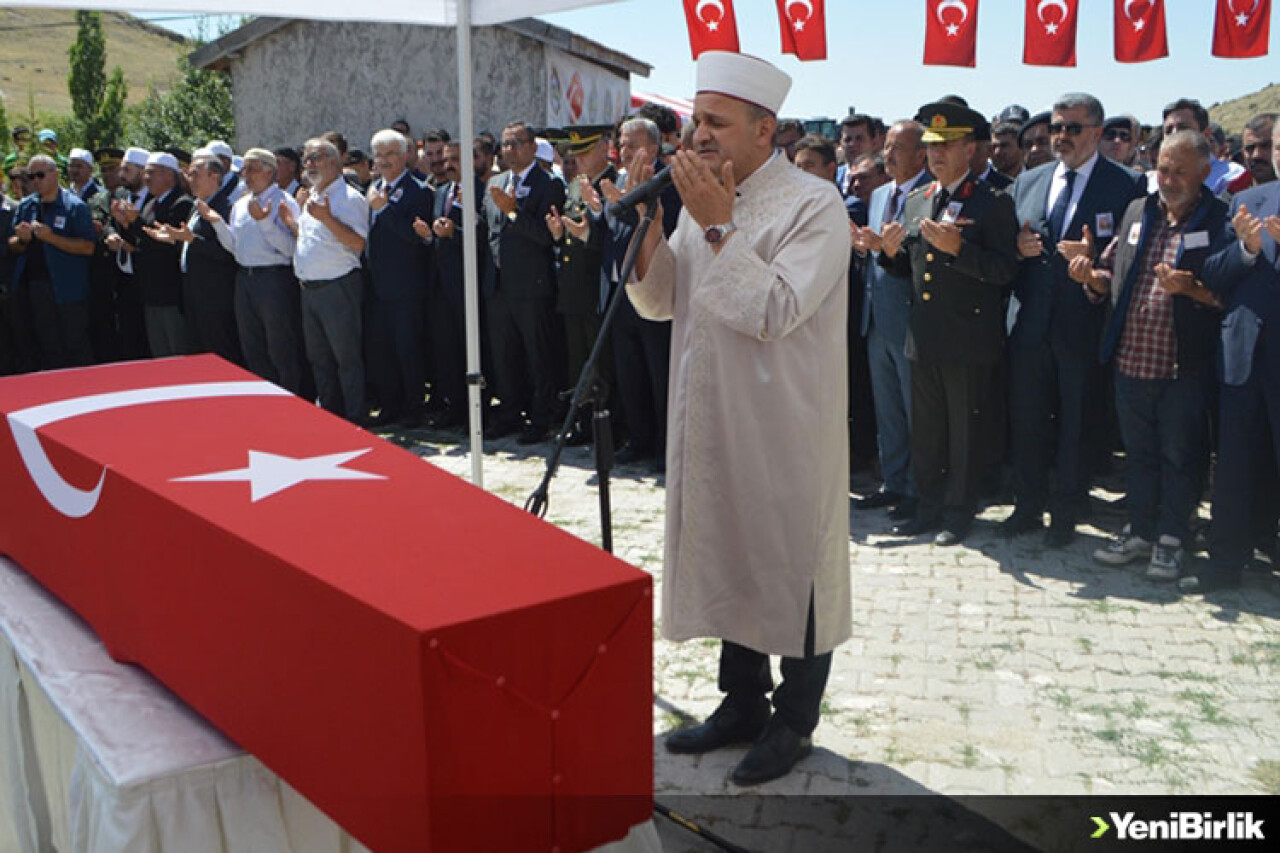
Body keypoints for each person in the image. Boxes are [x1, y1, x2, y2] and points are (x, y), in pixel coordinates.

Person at [630, 51, 851, 786]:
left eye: (717, 123)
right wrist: (650, 235)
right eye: (696, 120)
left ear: (767, 129)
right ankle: (742, 701)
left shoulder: (813, 204)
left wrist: (719, 227)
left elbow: (776, 308)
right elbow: (664, 302)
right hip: (711, 412)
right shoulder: (705, 197)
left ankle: (795, 719)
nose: (699, 136)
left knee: (794, 564)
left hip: (785, 424)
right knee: (728, 547)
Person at [1076, 131, 1230, 581]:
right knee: (1141, 456)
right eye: (1163, 168)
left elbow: (1229, 295)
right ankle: (1141, 530)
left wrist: (1192, 290)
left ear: (1205, 172)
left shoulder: (1219, 220)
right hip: (1131, 361)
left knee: (1180, 458)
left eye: (1181, 171)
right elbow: (1111, 270)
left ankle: (1171, 539)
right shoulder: (1138, 211)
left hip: (1185, 366)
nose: (1169, 178)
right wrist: (1091, 275)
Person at [1004, 93, 1144, 546]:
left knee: (1075, 425)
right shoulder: (1030, 180)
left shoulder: (1126, 186)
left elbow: (1133, 257)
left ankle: (1065, 513)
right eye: (1057, 127)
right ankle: (1027, 507)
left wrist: (1098, 264)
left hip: (1083, 325)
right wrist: (1016, 249)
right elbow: (1005, 241)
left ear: (1098, 133)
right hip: (1030, 325)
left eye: (1072, 128)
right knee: (1027, 420)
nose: (1061, 136)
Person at [879, 101, 1019, 546]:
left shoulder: (991, 202)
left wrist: (962, 252)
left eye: (948, 145)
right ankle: (928, 506)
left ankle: (958, 513)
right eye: (931, 145)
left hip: (967, 338)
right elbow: (909, 267)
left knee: (963, 433)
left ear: (970, 149)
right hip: (923, 336)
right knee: (928, 433)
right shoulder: (919, 199)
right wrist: (886, 252)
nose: (936, 154)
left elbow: (1004, 271)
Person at [1181, 124, 1280, 592]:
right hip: (1244, 358)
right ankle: (1224, 564)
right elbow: (1214, 276)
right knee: (1235, 465)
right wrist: (1246, 248)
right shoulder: (1251, 205)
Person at [849, 120, 931, 520]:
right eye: (889, 148)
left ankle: (918, 487)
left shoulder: (932, 192)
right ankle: (893, 482)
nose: (889, 155)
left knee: (916, 412)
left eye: (899, 148)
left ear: (921, 154)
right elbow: (880, 251)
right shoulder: (881, 193)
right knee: (888, 411)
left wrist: (887, 250)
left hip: (911, 320)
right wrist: (865, 247)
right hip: (876, 317)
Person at [486, 121, 567, 444]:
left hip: (531, 287)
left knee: (538, 357)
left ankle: (541, 418)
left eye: (517, 143)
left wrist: (514, 212)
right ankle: (509, 413)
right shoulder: (495, 182)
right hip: (499, 286)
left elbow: (546, 238)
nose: (510, 149)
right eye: (505, 144)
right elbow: (488, 233)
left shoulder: (549, 184)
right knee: (504, 357)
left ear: (533, 147)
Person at [280, 139, 369, 423]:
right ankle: (331, 417)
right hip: (310, 288)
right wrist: (293, 223)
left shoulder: (349, 198)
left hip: (338, 287)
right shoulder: (311, 198)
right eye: (306, 159)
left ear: (334, 161)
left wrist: (327, 217)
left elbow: (357, 243)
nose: (309, 165)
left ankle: (355, 417)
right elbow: (313, 240)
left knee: (347, 359)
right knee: (319, 359)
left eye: (316, 158)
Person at [208, 148, 306, 396]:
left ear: (269, 171)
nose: (245, 175)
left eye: (251, 169)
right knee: (252, 345)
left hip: (274, 279)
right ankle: (265, 397)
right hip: (245, 278)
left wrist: (264, 223)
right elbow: (235, 247)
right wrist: (217, 224)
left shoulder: (285, 202)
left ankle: (290, 397)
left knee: (279, 345)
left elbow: (290, 248)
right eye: (244, 170)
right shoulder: (240, 204)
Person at [365, 128, 435, 426]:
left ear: (405, 156)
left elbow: (414, 236)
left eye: (390, 154)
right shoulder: (372, 188)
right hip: (377, 284)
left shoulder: (419, 190)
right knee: (382, 350)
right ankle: (390, 404)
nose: (383, 161)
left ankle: (413, 407)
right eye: (378, 155)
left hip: (406, 285)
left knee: (408, 350)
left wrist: (385, 210)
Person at [7, 154, 96, 369]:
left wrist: (51, 238)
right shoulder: (26, 206)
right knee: (48, 347)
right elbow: (12, 244)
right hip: (37, 288)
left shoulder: (74, 207)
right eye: (31, 176)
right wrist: (21, 239)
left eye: (40, 175)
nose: (35, 181)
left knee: (75, 345)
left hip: (69, 289)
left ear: (55, 175)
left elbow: (88, 247)